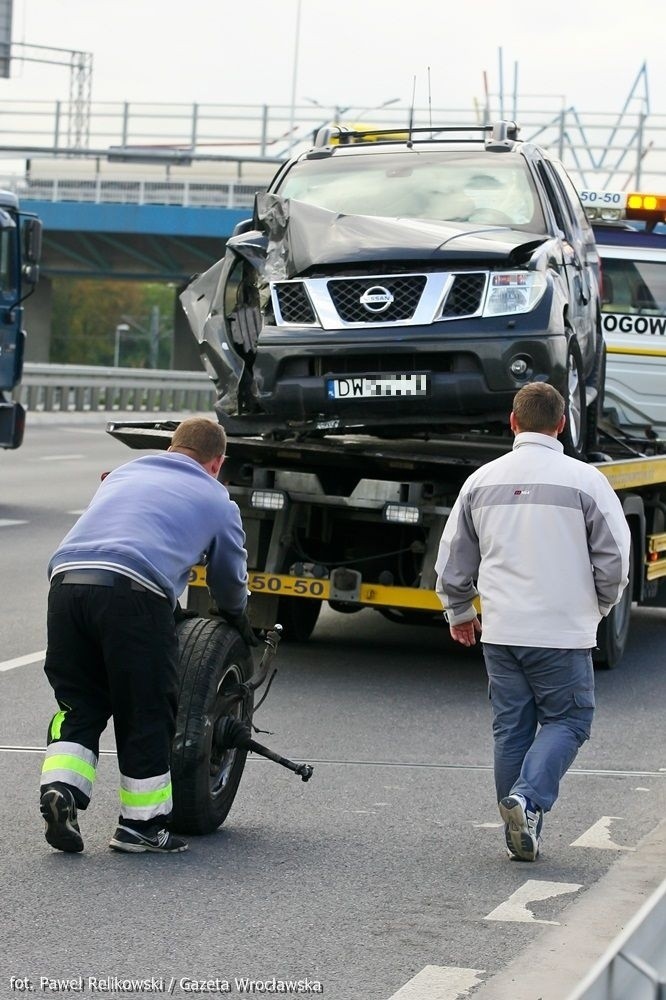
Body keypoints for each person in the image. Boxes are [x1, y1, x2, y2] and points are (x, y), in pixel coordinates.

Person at [435, 383, 631, 861]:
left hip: (502, 631)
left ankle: (519, 829)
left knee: (512, 730)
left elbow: (453, 558)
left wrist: (459, 610)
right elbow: (616, 561)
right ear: (561, 424)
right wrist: (599, 607)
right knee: (570, 719)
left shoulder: (481, 481)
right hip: (562, 632)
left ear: (513, 421)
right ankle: (526, 801)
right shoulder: (586, 482)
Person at [39, 417, 249, 855]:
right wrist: (236, 615)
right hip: (133, 593)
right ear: (218, 462)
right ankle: (142, 826)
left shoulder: (125, 472)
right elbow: (227, 579)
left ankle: (60, 787)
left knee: (79, 701)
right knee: (146, 708)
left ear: (172, 446)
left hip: (66, 584)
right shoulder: (217, 498)